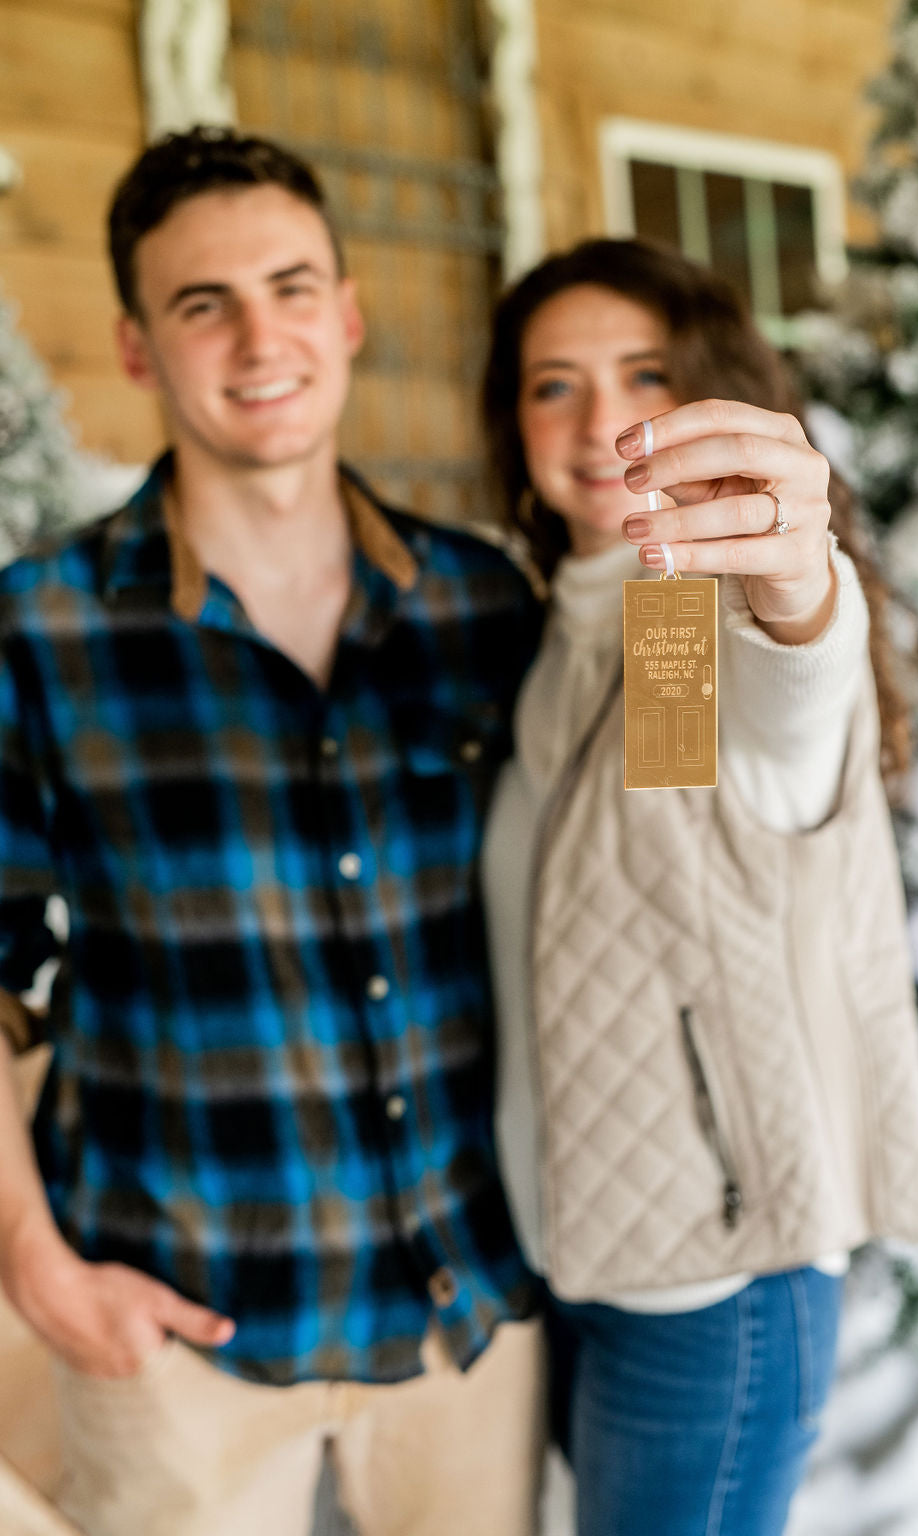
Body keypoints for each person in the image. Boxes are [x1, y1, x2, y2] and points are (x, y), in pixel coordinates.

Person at [0, 127, 548, 1536]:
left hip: (466, 1319)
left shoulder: (482, 604)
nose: (261, 339)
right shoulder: (39, 630)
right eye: (205, 304)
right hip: (177, 1328)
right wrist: (36, 1265)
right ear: (137, 349)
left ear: (347, 315)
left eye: (292, 288)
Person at [479, 239, 918, 1536]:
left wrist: (797, 585)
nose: (602, 419)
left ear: (713, 390)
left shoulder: (677, 611)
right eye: (554, 384)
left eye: (646, 375)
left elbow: (781, 732)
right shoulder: (555, 626)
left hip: (710, 1289)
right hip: (576, 1252)